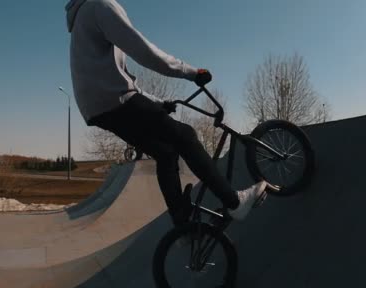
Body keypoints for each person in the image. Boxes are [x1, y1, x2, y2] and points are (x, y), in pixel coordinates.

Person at [65, 0, 267, 226]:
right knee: (185, 136)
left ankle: (182, 223)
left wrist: (159, 103)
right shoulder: (101, 6)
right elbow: (143, 50)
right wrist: (190, 72)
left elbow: (118, 76)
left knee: (165, 153)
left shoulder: (82, 15)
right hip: (115, 100)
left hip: (98, 109)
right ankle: (234, 202)